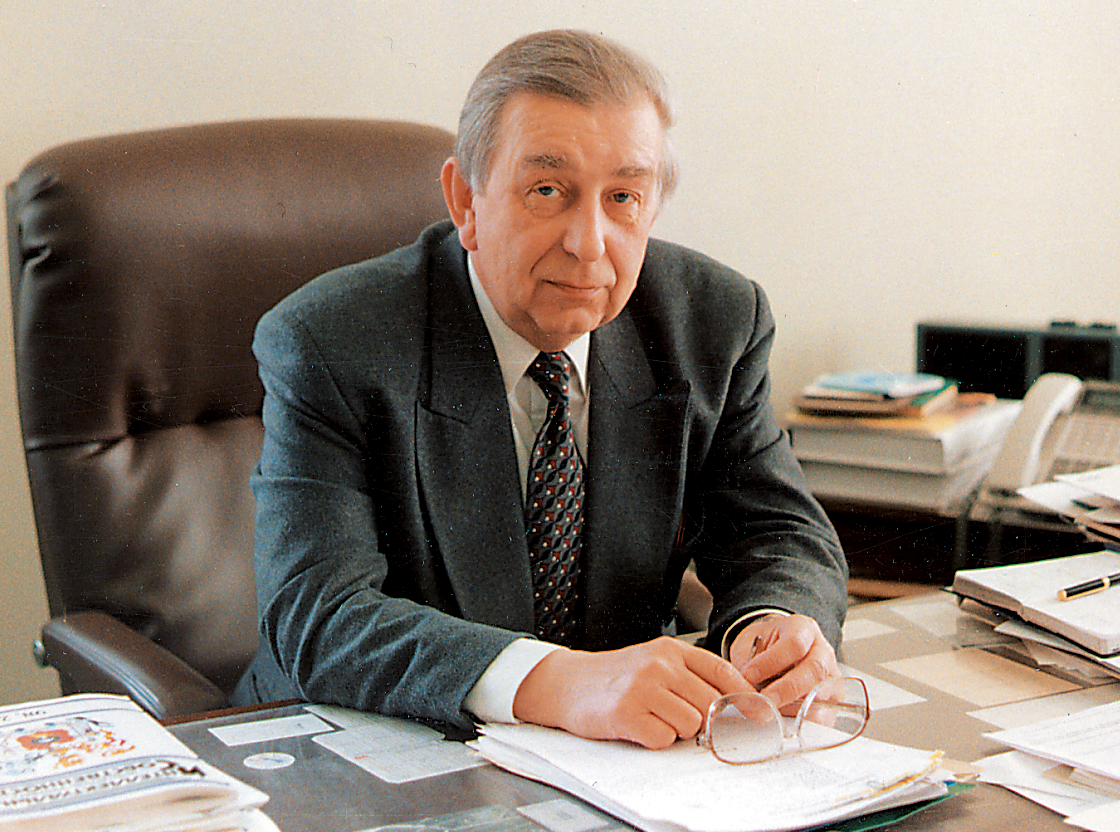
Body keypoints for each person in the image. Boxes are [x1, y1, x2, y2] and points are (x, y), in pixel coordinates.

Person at [233, 29, 848, 751]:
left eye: (623, 197)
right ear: (466, 200)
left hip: (622, 764)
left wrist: (771, 627)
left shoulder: (714, 321)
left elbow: (780, 531)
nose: (589, 242)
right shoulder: (330, 340)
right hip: (359, 747)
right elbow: (319, 614)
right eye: (548, 191)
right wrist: (555, 682)